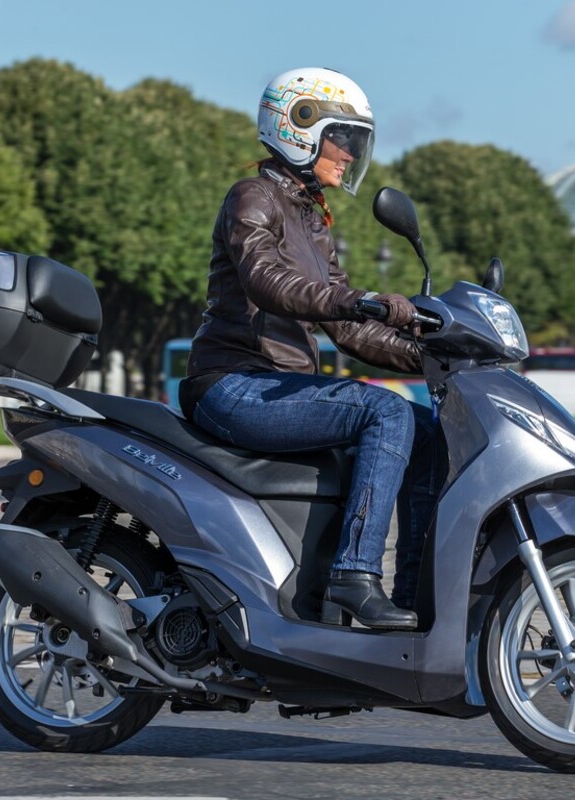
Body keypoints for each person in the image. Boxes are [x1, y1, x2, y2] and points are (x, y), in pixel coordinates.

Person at [180, 67, 441, 630]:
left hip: (280, 387)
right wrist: (362, 300)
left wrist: (437, 356)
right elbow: (267, 282)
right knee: (387, 411)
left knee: (427, 430)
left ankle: (415, 596)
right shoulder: (252, 197)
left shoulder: (313, 220)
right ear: (298, 126)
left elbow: (349, 330)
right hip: (233, 384)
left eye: (356, 142)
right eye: (342, 138)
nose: (350, 154)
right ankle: (354, 575)